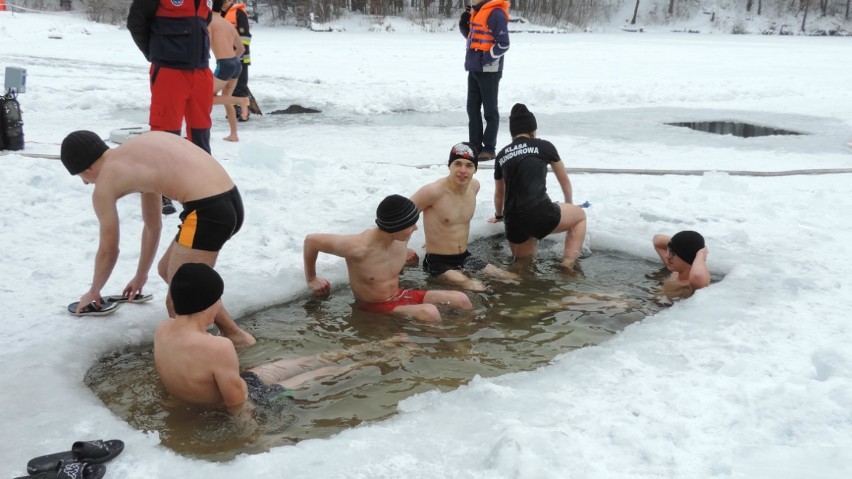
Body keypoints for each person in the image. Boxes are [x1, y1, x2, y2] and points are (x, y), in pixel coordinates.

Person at [59, 130, 255, 347]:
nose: (86, 184)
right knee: (167, 271)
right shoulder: (135, 156)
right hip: (230, 201)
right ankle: (231, 336)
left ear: (87, 168)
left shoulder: (105, 183)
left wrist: (94, 290)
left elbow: (109, 250)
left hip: (206, 211)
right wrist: (141, 275)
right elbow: (153, 226)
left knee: (178, 303)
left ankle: (209, 363)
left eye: (81, 177)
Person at [155, 263, 410, 417]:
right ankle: (388, 355)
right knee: (330, 372)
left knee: (309, 361)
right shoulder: (217, 347)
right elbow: (237, 404)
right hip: (255, 399)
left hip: (241, 386)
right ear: (212, 302)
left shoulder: (163, 330)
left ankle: (382, 346)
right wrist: (257, 437)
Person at [304, 195, 473, 322]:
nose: (415, 228)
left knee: (461, 299)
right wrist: (312, 278)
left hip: (400, 295)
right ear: (395, 227)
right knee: (429, 312)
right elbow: (312, 241)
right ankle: (446, 349)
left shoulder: (400, 237)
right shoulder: (357, 247)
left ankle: (466, 337)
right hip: (373, 306)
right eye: (410, 225)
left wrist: (405, 251)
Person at [128, 0, 215, 215]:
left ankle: (202, 182)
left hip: (201, 71)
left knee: (201, 129)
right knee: (165, 131)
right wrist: (156, 53)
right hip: (169, 72)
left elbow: (207, 18)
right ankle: (162, 189)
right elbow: (136, 22)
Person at [410, 141, 518, 292]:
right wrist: (404, 248)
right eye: (457, 164)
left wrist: (439, 231)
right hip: (437, 262)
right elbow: (401, 216)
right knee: (475, 286)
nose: (463, 170)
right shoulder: (433, 192)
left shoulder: (474, 187)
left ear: (475, 169)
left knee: (510, 277)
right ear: (449, 166)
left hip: (464, 257)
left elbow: (454, 220)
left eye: (468, 165)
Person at [490, 103, 587, 269]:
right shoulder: (544, 146)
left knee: (523, 267)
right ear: (533, 130)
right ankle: (568, 263)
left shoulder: (502, 155)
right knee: (579, 217)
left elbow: (499, 194)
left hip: (514, 221)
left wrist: (499, 216)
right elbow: (564, 181)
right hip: (541, 213)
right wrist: (569, 204)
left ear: (512, 133)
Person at [459, 0, 510, 162]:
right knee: (472, 109)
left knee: (490, 112)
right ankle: (475, 146)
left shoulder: (496, 13)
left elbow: (503, 44)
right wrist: (465, 20)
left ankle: (489, 148)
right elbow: (471, 36)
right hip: (474, 68)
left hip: (489, 70)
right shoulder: (477, 11)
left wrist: (486, 59)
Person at [210, 0, 250, 142]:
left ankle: (241, 100)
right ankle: (234, 135)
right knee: (226, 99)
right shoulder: (227, 23)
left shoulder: (209, 23)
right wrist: (233, 61)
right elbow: (241, 48)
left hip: (225, 64)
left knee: (207, 98)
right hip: (235, 62)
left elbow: (205, 47)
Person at [652, 230, 710, 297]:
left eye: (673, 254)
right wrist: (685, 245)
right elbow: (657, 240)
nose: (667, 256)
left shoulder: (690, 286)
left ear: (687, 257)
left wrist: (701, 253)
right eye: (668, 251)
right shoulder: (676, 272)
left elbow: (698, 276)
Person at [222, 0, 253, 121]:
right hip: (226, 56)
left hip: (241, 56)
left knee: (240, 84)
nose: (222, 5)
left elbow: (245, 36)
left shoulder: (239, 12)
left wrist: (238, 52)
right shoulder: (219, 14)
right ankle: (234, 109)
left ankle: (245, 112)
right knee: (229, 85)